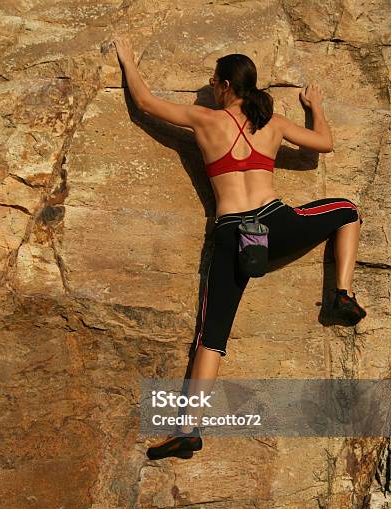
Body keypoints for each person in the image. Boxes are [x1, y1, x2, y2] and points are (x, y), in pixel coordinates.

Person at [111, 37, 366, 460]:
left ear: (227, 84)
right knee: (347, 210)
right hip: (275, 224)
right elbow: (324, 144)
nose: (210, 87)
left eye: (213, 81)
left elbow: (144, 102)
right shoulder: (274, 122)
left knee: (210, 336)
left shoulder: (204, 120)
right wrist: (315, 105)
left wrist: (127, 59)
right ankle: (342, 293)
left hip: (235, 232)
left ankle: (189, 429)